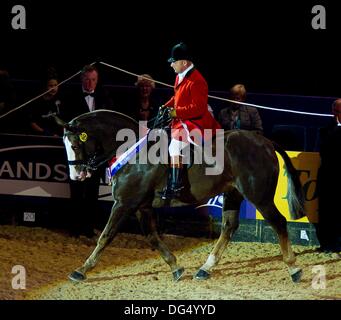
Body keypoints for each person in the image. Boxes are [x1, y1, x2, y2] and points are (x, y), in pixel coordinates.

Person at [159, 42, 221, 200]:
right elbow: (177, 97)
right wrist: (165, 106)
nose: (171, 64)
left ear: (184, 62)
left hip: (196, 122)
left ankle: (176, 185)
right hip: (183, 119)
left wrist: (176, 112)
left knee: (174, 147)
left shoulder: (197, 81)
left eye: (174, 61)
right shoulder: (179, 76)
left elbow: (198, 108)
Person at [61, 64, 114, 238]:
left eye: (93, 80)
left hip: (96, 152)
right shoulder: (70, 97)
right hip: (78, 151)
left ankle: (88, 227)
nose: (90, 84)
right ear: (81, 79)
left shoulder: (104, 96)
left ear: (97, 80)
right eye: (87, 80)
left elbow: (108, 121)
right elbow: (68, 123)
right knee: (76, 189)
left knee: (92, 190)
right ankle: (74, 227)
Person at [315, 99, 341, 253]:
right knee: (325, 211)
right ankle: (326, 244)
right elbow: (323, 150)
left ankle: (338, 244)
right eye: (337, 111)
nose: (337, 115)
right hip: (327, 176)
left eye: (340, 112)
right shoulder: (325, 130)